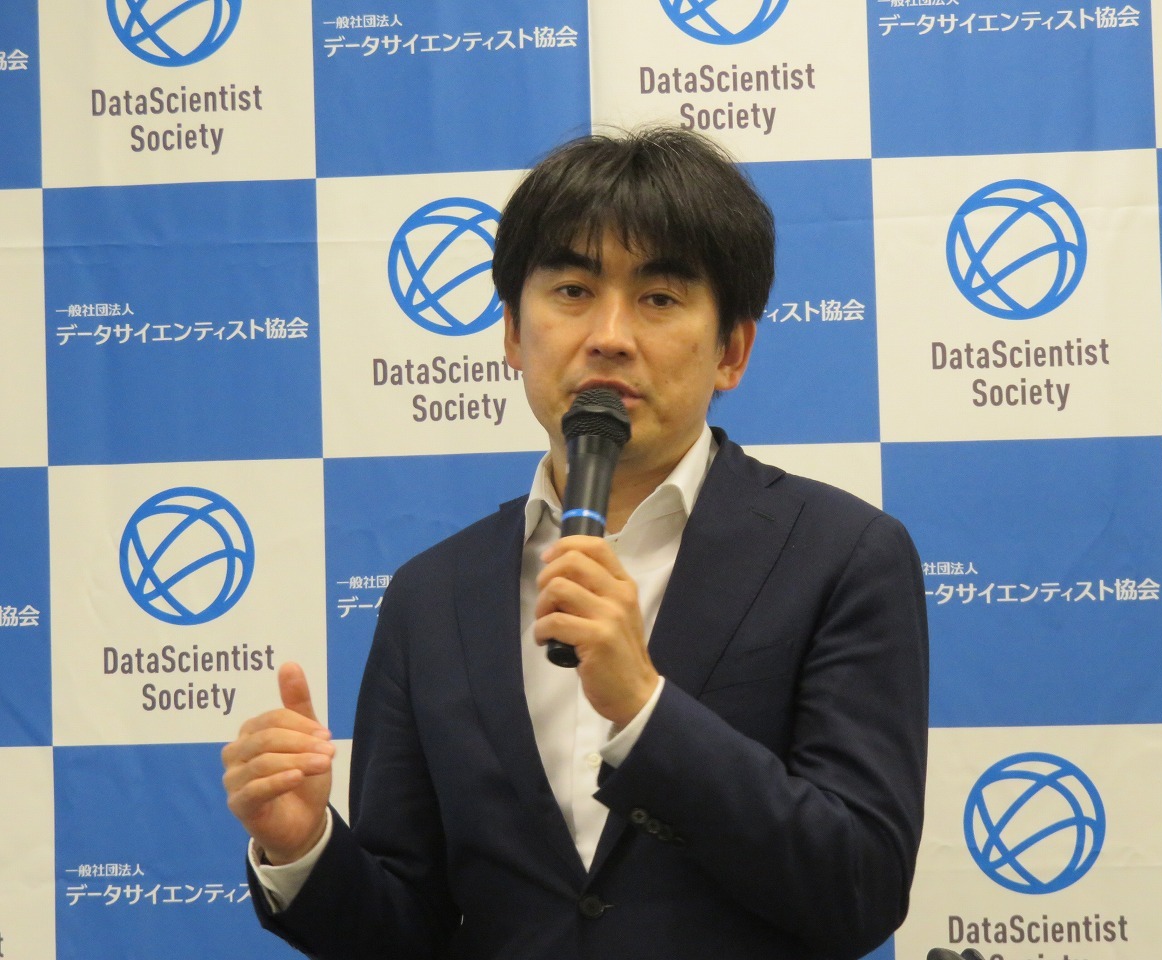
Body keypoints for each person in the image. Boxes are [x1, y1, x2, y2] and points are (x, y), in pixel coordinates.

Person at [221, 127, 929, 960]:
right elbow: (404, 928)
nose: (610, 335)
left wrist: (645, 709)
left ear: (732, 350)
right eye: (572, 290)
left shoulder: (842, 556)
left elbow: (861, 889)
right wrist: (304, 846)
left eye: (658, 298)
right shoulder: (432, 597)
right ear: (512, 335)